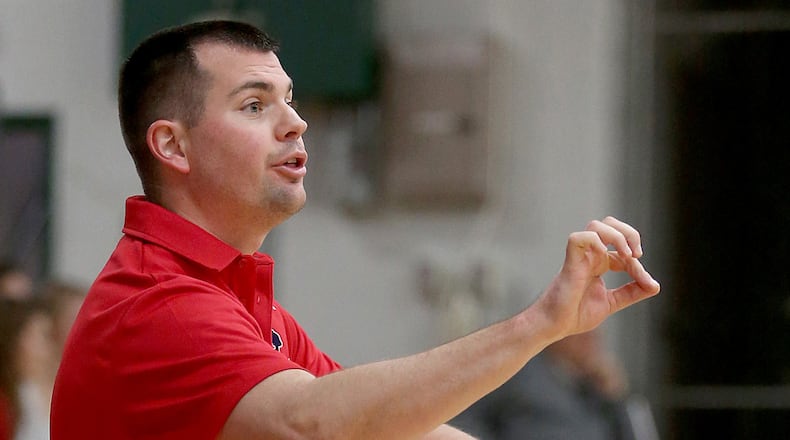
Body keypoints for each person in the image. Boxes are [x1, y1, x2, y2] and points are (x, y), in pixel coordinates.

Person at [50, 20, 660, 440]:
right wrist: (538, 325)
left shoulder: (238, 302)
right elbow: (313, 425)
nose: (295, 124)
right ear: (172, 146)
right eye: (255, 106)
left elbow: (384, 426)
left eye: (289, 100)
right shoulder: (161, 305)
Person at [451, 329, 642, 439]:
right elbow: (465, 415)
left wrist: (618, 397)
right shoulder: (520, 370)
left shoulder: (596, 386)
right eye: (582, 334)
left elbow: (637, 436)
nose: (589, 342)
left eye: (593, 336)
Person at [0, 298, 55, 440]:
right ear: (16, 341)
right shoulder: (7, 402)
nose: (49, 345)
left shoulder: (54, 391)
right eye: (43, 335)